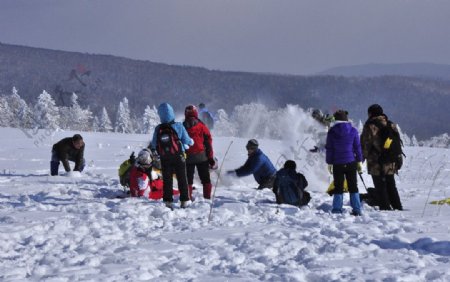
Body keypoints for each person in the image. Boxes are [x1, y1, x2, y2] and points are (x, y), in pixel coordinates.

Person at [149, 103, 194, 209]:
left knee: (167, 179)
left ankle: (168, 201)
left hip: (165, 158)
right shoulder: (179, 126)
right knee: (182, 178)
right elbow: (187, 140)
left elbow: (154, 144)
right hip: (179, 156)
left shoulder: (158, 129)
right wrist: (190, 143)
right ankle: (184, 200)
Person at [360, 104, 403, 211]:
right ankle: (397, 206)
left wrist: (361, 157)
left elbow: (366, 144)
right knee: (391, 185)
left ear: (370, 113)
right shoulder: (391, 124)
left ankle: (385, 208)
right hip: (391, 160)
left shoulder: (371, 126)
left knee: (380, 186)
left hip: (376, 162)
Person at [325, 110, 363, 216]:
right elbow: (357, 148)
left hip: (338, 163)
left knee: (338, 186)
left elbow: (329, 149)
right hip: (351, 162)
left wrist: (329, 162)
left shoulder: (332, 132)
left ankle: (337, 209)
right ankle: (357, 209)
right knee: (353, 186)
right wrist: (359, 161)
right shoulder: (353, 131)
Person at [183, 105, 215, 200]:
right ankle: (207, 198)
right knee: (205, 179)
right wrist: (210, 157)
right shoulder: (201, 126)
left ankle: (188, 198)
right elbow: (208, 142)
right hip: (202, 156)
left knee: (188, 180)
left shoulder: (182, 126)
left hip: (188, 157)